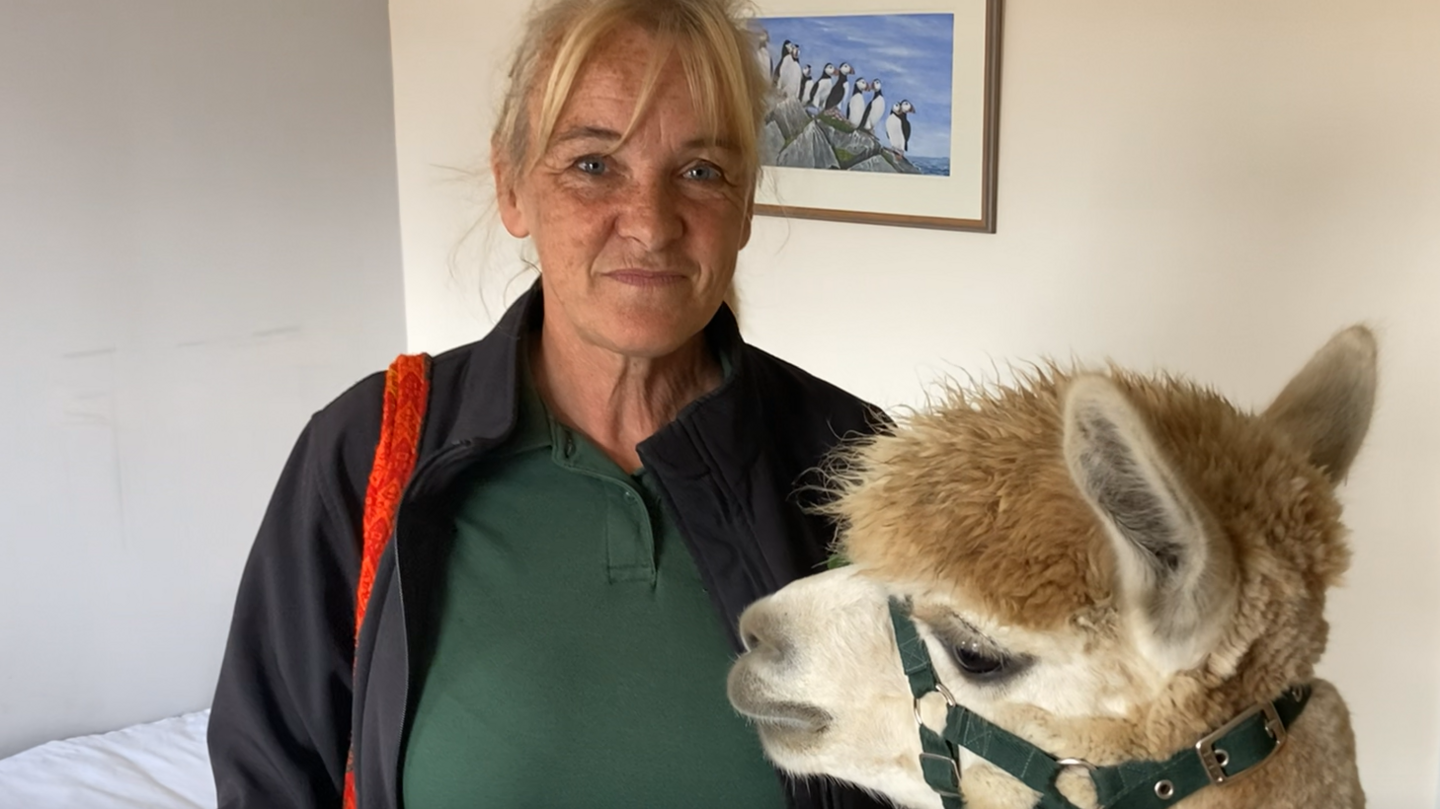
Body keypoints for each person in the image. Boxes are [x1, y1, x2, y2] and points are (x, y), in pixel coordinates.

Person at [208, 1, 889, 807]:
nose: (649, 223)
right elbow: (274, 778)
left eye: (701, 170)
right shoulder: (369, 451)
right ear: (512, 187)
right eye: (594, 164)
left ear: (743, 208)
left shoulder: (858, 465)